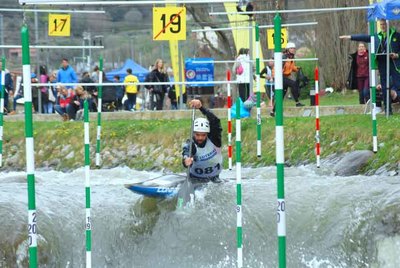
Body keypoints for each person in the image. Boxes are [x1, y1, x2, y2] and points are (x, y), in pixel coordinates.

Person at [340, 19, 400, 115]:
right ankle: (388, 111)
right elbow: (364, 37)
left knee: (398, 84)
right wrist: (350, 37)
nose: (383, 26)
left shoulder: (396, 35)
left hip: (394, 64)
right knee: (384, 87)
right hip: (382, 63)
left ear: (388, 25)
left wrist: (397, 55)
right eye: (381, 25)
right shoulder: (376, 36)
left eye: (384, 24)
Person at [182, 99, 223, 183]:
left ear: (207, 134)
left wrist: (201, 108)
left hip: (214, 177)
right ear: (193, 133)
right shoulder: (191, 144)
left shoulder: (214, 140)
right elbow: (186, 152)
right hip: (195, 179)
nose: (200, 138)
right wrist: (186, 160)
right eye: (197, 135)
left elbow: (215, 121)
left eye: (203, 135)